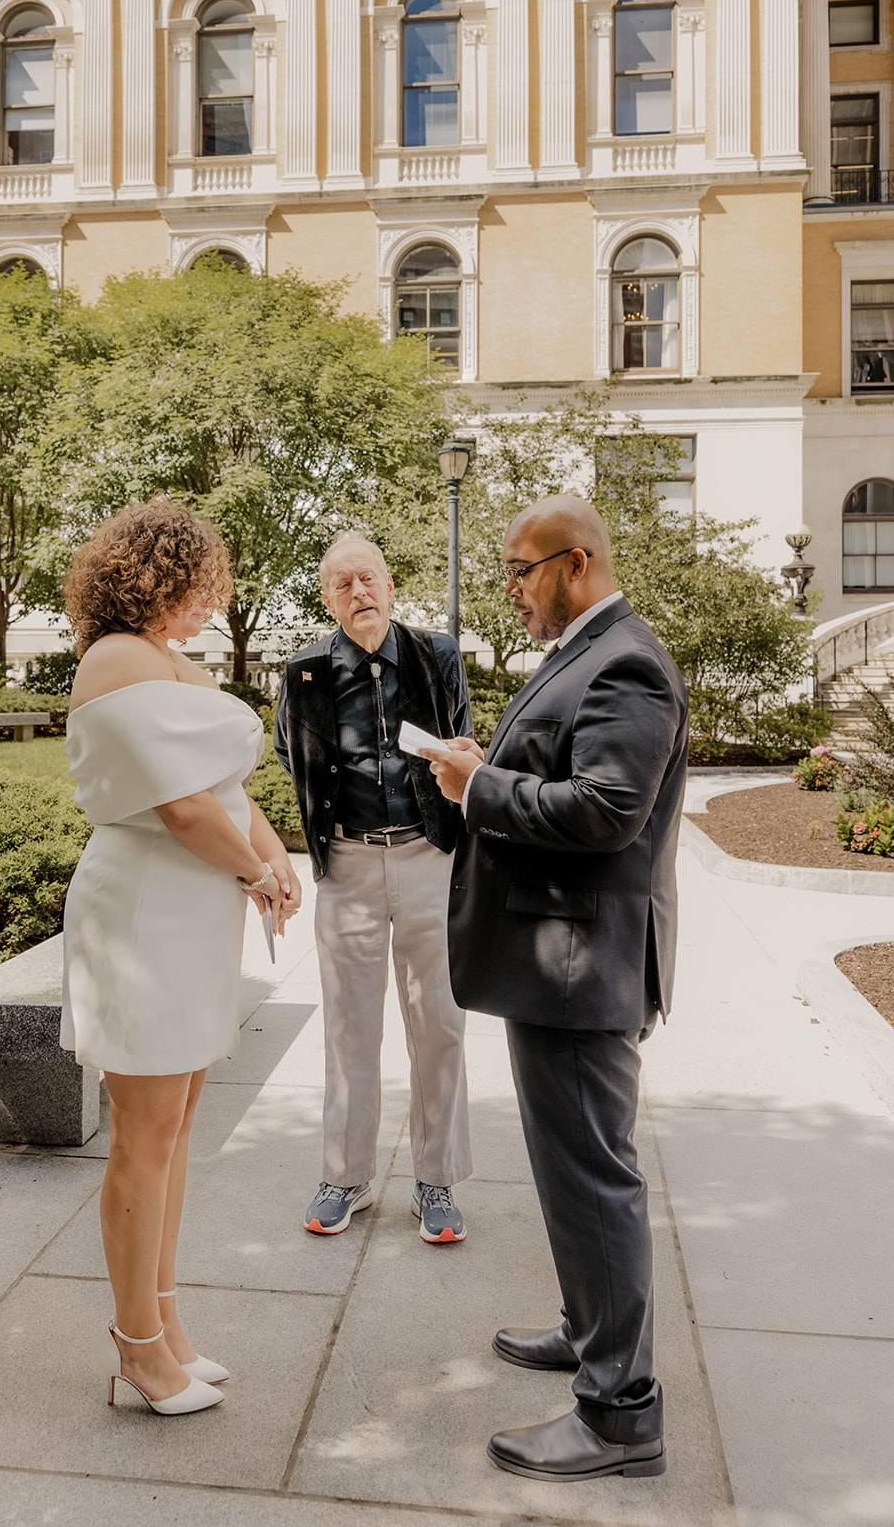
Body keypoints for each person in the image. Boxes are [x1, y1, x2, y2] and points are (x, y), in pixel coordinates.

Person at [424, 495, 688, 1481]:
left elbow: (606, 810)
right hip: (555, 966)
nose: (510, 591)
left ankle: (619, 1414)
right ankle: (589, 1331)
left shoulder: (624, 659)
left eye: (518, 569)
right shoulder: (590, 649)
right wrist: (480, 770)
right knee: (571, 1177)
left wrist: (475, 785)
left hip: (579, 972)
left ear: (574, 563)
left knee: (592, 1182)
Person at [60, 497, 303, 1416]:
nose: (208, 602)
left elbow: (223, 791)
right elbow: (181, 808)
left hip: (190, 907)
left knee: (177, 1128)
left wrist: (272, 856)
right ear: (154, 577)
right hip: (146, 915)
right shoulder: (118, 655)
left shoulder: (169, 661)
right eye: (197, 585)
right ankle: (137, 1352)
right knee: (144, 1139)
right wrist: (254, 871)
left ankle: (165, 1324)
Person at [274, 534, 474, 1241]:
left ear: (389, 586)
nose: (357, 592)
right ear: (327, 600)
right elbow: (287, 752)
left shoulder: (436, 654)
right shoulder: (303, 672)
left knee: (440, 1028)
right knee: (349, 1029)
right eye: (341, 584)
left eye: (368, 579)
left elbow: (460, 740)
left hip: (428, 856)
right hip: (349, 866)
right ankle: (344, 1177)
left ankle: (437, 1182)